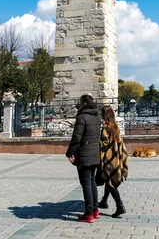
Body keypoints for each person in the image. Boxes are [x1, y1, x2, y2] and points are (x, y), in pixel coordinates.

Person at [66, 94, 101, 224]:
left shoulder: (82, 117)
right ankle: (95, 210)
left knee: (86, 184)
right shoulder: (97, 116)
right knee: (92, 182)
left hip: (85, 154)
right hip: (95, 153)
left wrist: (70, 153)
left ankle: (88, 213)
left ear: (83, 104)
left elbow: (76, 138)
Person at [98, 105, 128, 218]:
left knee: (110, 182)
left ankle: (120, 206)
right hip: (117, 156)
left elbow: (104, 144)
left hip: (108, 158)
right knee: (109, 179)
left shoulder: (106, 127)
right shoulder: (116, 126)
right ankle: (104, 201)